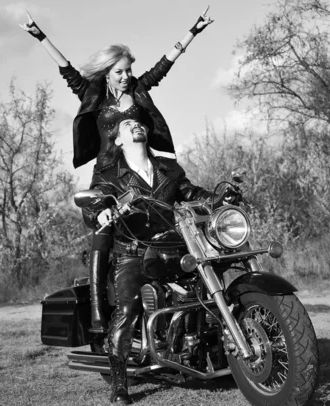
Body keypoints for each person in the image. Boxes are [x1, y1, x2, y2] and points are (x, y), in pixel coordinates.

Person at [20, 8, 214, 334]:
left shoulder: (138, 90)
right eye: (120, 72)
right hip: (108, 172)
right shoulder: (92, 93)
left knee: (171, 220)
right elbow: (67, 69)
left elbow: (164, 66)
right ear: (107, 74)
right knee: (103, 230)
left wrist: (193, 31)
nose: (126, 76)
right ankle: (98, 314)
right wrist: (40, 36)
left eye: (129, 71)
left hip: (142, 165)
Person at [81, 118, 213, 404]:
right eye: (128, 125)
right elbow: (96, 203)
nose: (136, 125)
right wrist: (99, 213)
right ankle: (119, 385)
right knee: (127, 309)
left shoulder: (169, 168)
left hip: (172, 246)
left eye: (139, 123)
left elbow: (191, 194)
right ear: (118, 140)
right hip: (133, 250)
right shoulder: (108, 174)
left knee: (204, 289)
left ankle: (187, 347)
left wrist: (218, 197)